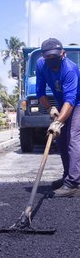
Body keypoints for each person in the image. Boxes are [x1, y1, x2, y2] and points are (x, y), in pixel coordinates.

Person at [36, 38, 80, 197]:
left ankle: (74, 183)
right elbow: (40, 93)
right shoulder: (41, 65)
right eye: (48, 57)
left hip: (77, 103)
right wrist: (50, 108)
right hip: (63, 104)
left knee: (73, 137)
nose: (51, 60)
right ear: (44, 56)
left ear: (63, 53)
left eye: (54, 56)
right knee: (60, 140)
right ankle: (68, 177)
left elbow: (71, 100)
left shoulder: (70, 69)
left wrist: (58, 123)